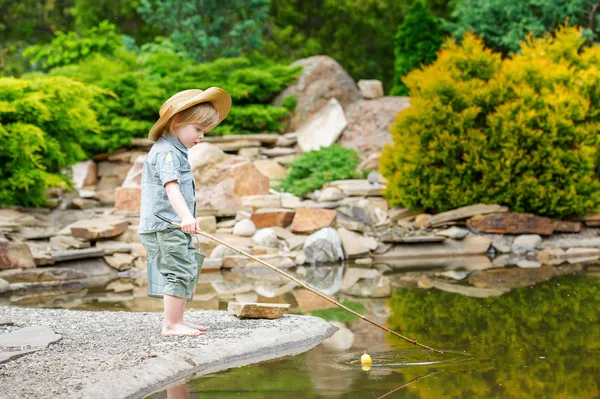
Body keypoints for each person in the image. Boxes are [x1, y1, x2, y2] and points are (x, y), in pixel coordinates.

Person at [138, 88, 232, 336]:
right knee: (178, 270)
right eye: (198, 130)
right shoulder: (167, 152)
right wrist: (186, 216)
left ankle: (177, 319)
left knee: (186, 266)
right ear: (177, 122)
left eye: (205, 132)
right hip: (165, 226)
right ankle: (171, 325)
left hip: (171, 225)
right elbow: (172, 189)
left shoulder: (174, 149)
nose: (201, 137)